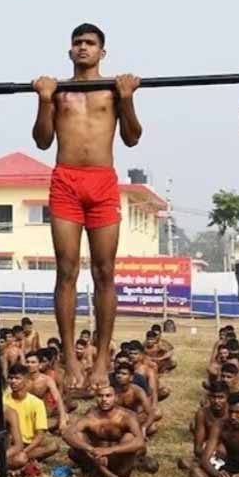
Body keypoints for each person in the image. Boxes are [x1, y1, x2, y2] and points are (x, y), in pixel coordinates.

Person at [32, 23, 142, 390]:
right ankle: (69, 357)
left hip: (102, 180)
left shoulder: (113, 89)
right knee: (66, 270)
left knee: (104, 271)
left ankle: (101, 358)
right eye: (77, 42)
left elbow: (132, 137)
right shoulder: (58, 91)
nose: (83, 47)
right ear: (70, 51)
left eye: (90, 43)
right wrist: (44, 100)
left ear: (102, 52)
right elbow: (42, 140)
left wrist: (127, 98)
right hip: (66, 180)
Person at [63, 384, 149, 477]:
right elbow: (67, 434)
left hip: (119, 463)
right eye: (100, 396)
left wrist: (109, 450)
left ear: (115, 397)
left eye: (108, 396)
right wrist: (91, 449)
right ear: (96, 398)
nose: (104, 399)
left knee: (129, 437)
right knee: (77, 440)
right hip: (96, 459)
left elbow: (140, 442)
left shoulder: (127, 416)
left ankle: (106, 476)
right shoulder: (91, 416)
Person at [3, 365, 60, 462]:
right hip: (9, 443)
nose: (13, 381)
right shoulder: (3, 400)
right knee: (18, 458)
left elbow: (40, 435)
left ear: (26, 380)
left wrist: (24, 451)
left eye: (17, 378)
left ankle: (23, 457)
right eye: (11, 378)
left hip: (28, 444)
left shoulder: (37, 403)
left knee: (53, 446)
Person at [178, 381, 229, 471]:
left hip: (228, 452)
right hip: (208, 451)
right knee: (184, 462)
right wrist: (208, 456)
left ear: (227, 398)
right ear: (209, 397)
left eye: (221, 397)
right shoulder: (202, 413)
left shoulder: (232, 414)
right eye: (213, 397)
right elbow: (197, 448)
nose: (216, 401)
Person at [110, 362, 159, 437]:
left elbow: (150, 413)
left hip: (136, 419)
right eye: (118, 373)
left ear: (131, 377)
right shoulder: (112, 391)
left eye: (124, 374)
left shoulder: (137, 391)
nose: (119, 376)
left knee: (152, 427)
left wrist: (144, 427)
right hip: (119, 421)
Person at [24, 351, 67, 432]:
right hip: (24, 411)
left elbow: (57, 398)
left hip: (41, 412)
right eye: (27, 362)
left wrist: (62, 419)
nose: (29, 365)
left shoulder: (47, 380)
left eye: (33, 362)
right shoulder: (22, 379)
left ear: (39, 364)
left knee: (64, 417)